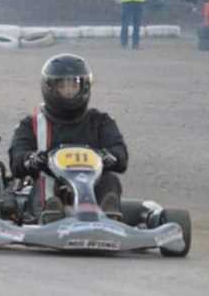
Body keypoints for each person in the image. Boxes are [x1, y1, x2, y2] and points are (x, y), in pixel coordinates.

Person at [8, 54, 128, 219]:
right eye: (63, 86)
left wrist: (109, 156)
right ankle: (51, 214)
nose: (69, 92)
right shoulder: (33, 124)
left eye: (74, 85)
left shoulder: (100, 121)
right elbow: (16, 160)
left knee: (110, 180)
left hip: (91, 186)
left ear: (84, 87)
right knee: (44, 181)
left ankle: (108, 215)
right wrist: (32, 159)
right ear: (50, 88)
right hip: (51, 185)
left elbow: (120, 154)